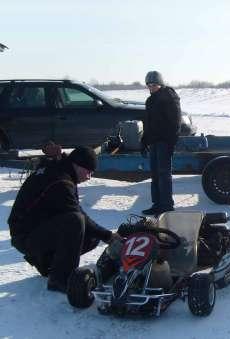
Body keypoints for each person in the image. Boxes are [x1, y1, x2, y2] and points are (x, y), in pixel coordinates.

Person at [8, 147, 120, 292]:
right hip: (24, 235)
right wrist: (108, 236)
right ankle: (61, 279)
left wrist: (104, 235)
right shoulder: (60, 181)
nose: (89, 177)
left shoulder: (62, 171)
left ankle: (49, 264)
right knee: (75, 221)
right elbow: (76, 215)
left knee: (90, 235)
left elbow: (75, 209)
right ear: (77, 165)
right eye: (88, 171)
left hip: (36, 229)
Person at [140, 71, 182, 215]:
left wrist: (171, 143)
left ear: (160, 84)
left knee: (164, 174)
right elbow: (148, 123)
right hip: (153, 141)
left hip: (164, 142)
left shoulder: (168, 97)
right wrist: (144, 140)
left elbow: (176, 123)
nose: (151, 87)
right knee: (155, 174)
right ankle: (157, 203)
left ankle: (166, 205)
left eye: (154, 84)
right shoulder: (150, 101)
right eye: (149, 85)